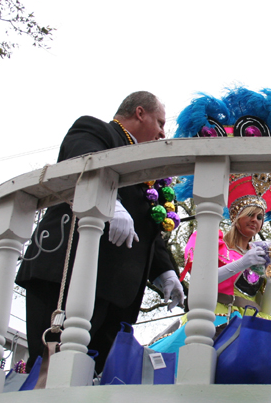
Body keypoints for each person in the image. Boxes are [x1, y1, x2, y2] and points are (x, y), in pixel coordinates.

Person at [16, 91, 185, 374]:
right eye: (159, 122)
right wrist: (109, 204)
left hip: (118, 292)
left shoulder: (148, 169)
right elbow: (81, 159)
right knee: (52, 368)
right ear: (140, 113)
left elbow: (146, 227)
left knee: (93, 377)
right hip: (68, 276)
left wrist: (165, 271)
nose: (162, 132)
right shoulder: (97, 130)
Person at [149, 176, 271, 354]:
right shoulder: (214, 241)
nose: (255, 220)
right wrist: (242, 263)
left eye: (260, 217)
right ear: (236, 216)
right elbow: (200, 282)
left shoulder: (260, 257)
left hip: (253, 323)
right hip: (217, 318)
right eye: (250, 214)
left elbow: (266, 310)